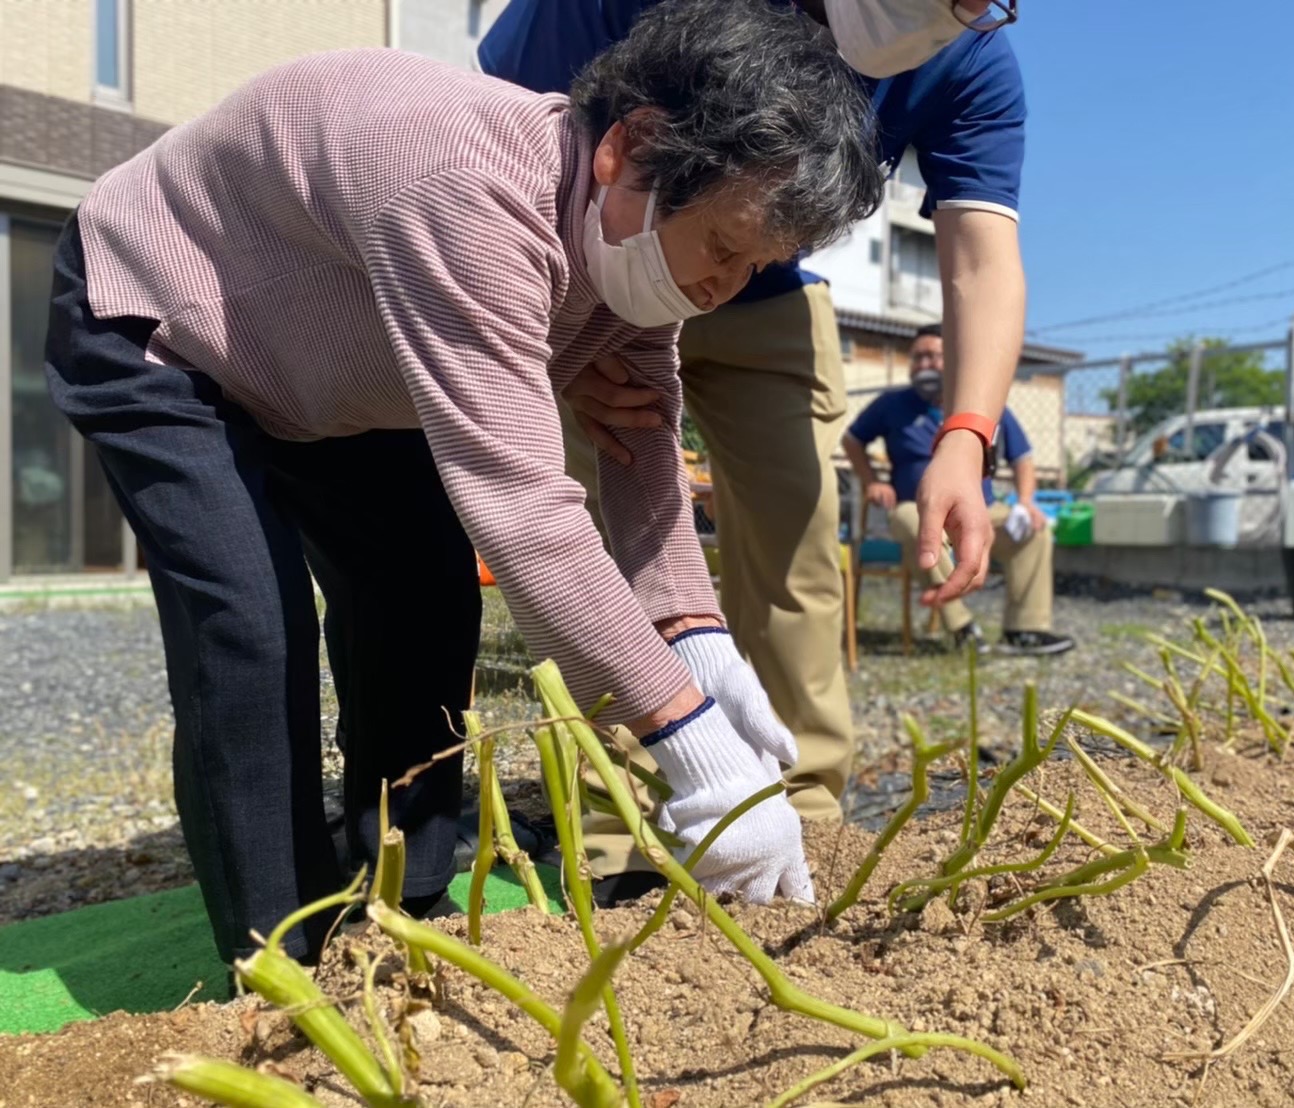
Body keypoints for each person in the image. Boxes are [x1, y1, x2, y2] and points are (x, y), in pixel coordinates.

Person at [43, 0, 883, 965]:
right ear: (633, 147)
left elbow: (640, 446)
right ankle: (283, 959)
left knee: (424, 594)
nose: (721, 287)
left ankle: (404, 899)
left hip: (338, 366)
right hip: (168, 318)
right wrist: (694, 747)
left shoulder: (635, 249)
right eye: (725, 247)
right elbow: (526, 514)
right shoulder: (469, 188)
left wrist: (699, 640)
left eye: (755, 266)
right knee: (250, 625)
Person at [480, 0, 1029, 868]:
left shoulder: (969, 58)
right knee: (603, 542)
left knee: (796, 541)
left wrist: (967, 435)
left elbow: (982, 261)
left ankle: (802, 810)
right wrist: (559, 337)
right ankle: (619, 824)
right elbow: (507, 133)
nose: (961, 11)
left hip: (768, 296)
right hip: (602, 270)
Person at [843, 324, 1076, 656]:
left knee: (1034, 533)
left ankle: (1025, 630)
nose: (924, 365)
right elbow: (852, 440)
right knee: (917, 526)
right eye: (917, 358)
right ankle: (962, 629)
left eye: (933, 356)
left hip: (982, 511)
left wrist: (1026, 501)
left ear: (953, 360)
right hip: (916, 508)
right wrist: (872, 481)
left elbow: (1022, 458)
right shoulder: (891, 404)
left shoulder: (986, 406)